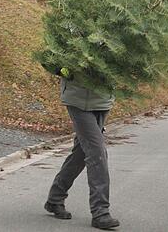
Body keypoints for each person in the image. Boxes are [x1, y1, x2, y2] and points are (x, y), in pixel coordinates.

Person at [43, 66, 121, 230]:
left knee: (80, 154)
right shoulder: (72, 38)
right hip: (77, 101)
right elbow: (49, 57)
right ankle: (100, 212)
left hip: (102, 100)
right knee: (97, 153)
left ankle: (55, 198)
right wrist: (64, 70)